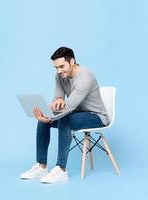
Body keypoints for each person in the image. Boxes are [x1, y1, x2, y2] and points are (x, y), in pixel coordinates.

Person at [20, 47, 110, 184]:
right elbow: (57, 99)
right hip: (76, 113)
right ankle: (41, 166)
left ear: (72, 61)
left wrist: (50, 115)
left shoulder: (85, 77)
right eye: (56, 67)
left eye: (62, 66)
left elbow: (69, 107)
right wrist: (50, 109)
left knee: (64, 120)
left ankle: (61, 170)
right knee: (43, 121)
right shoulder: (60, 76)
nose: (59, 71)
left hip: (96, 116)